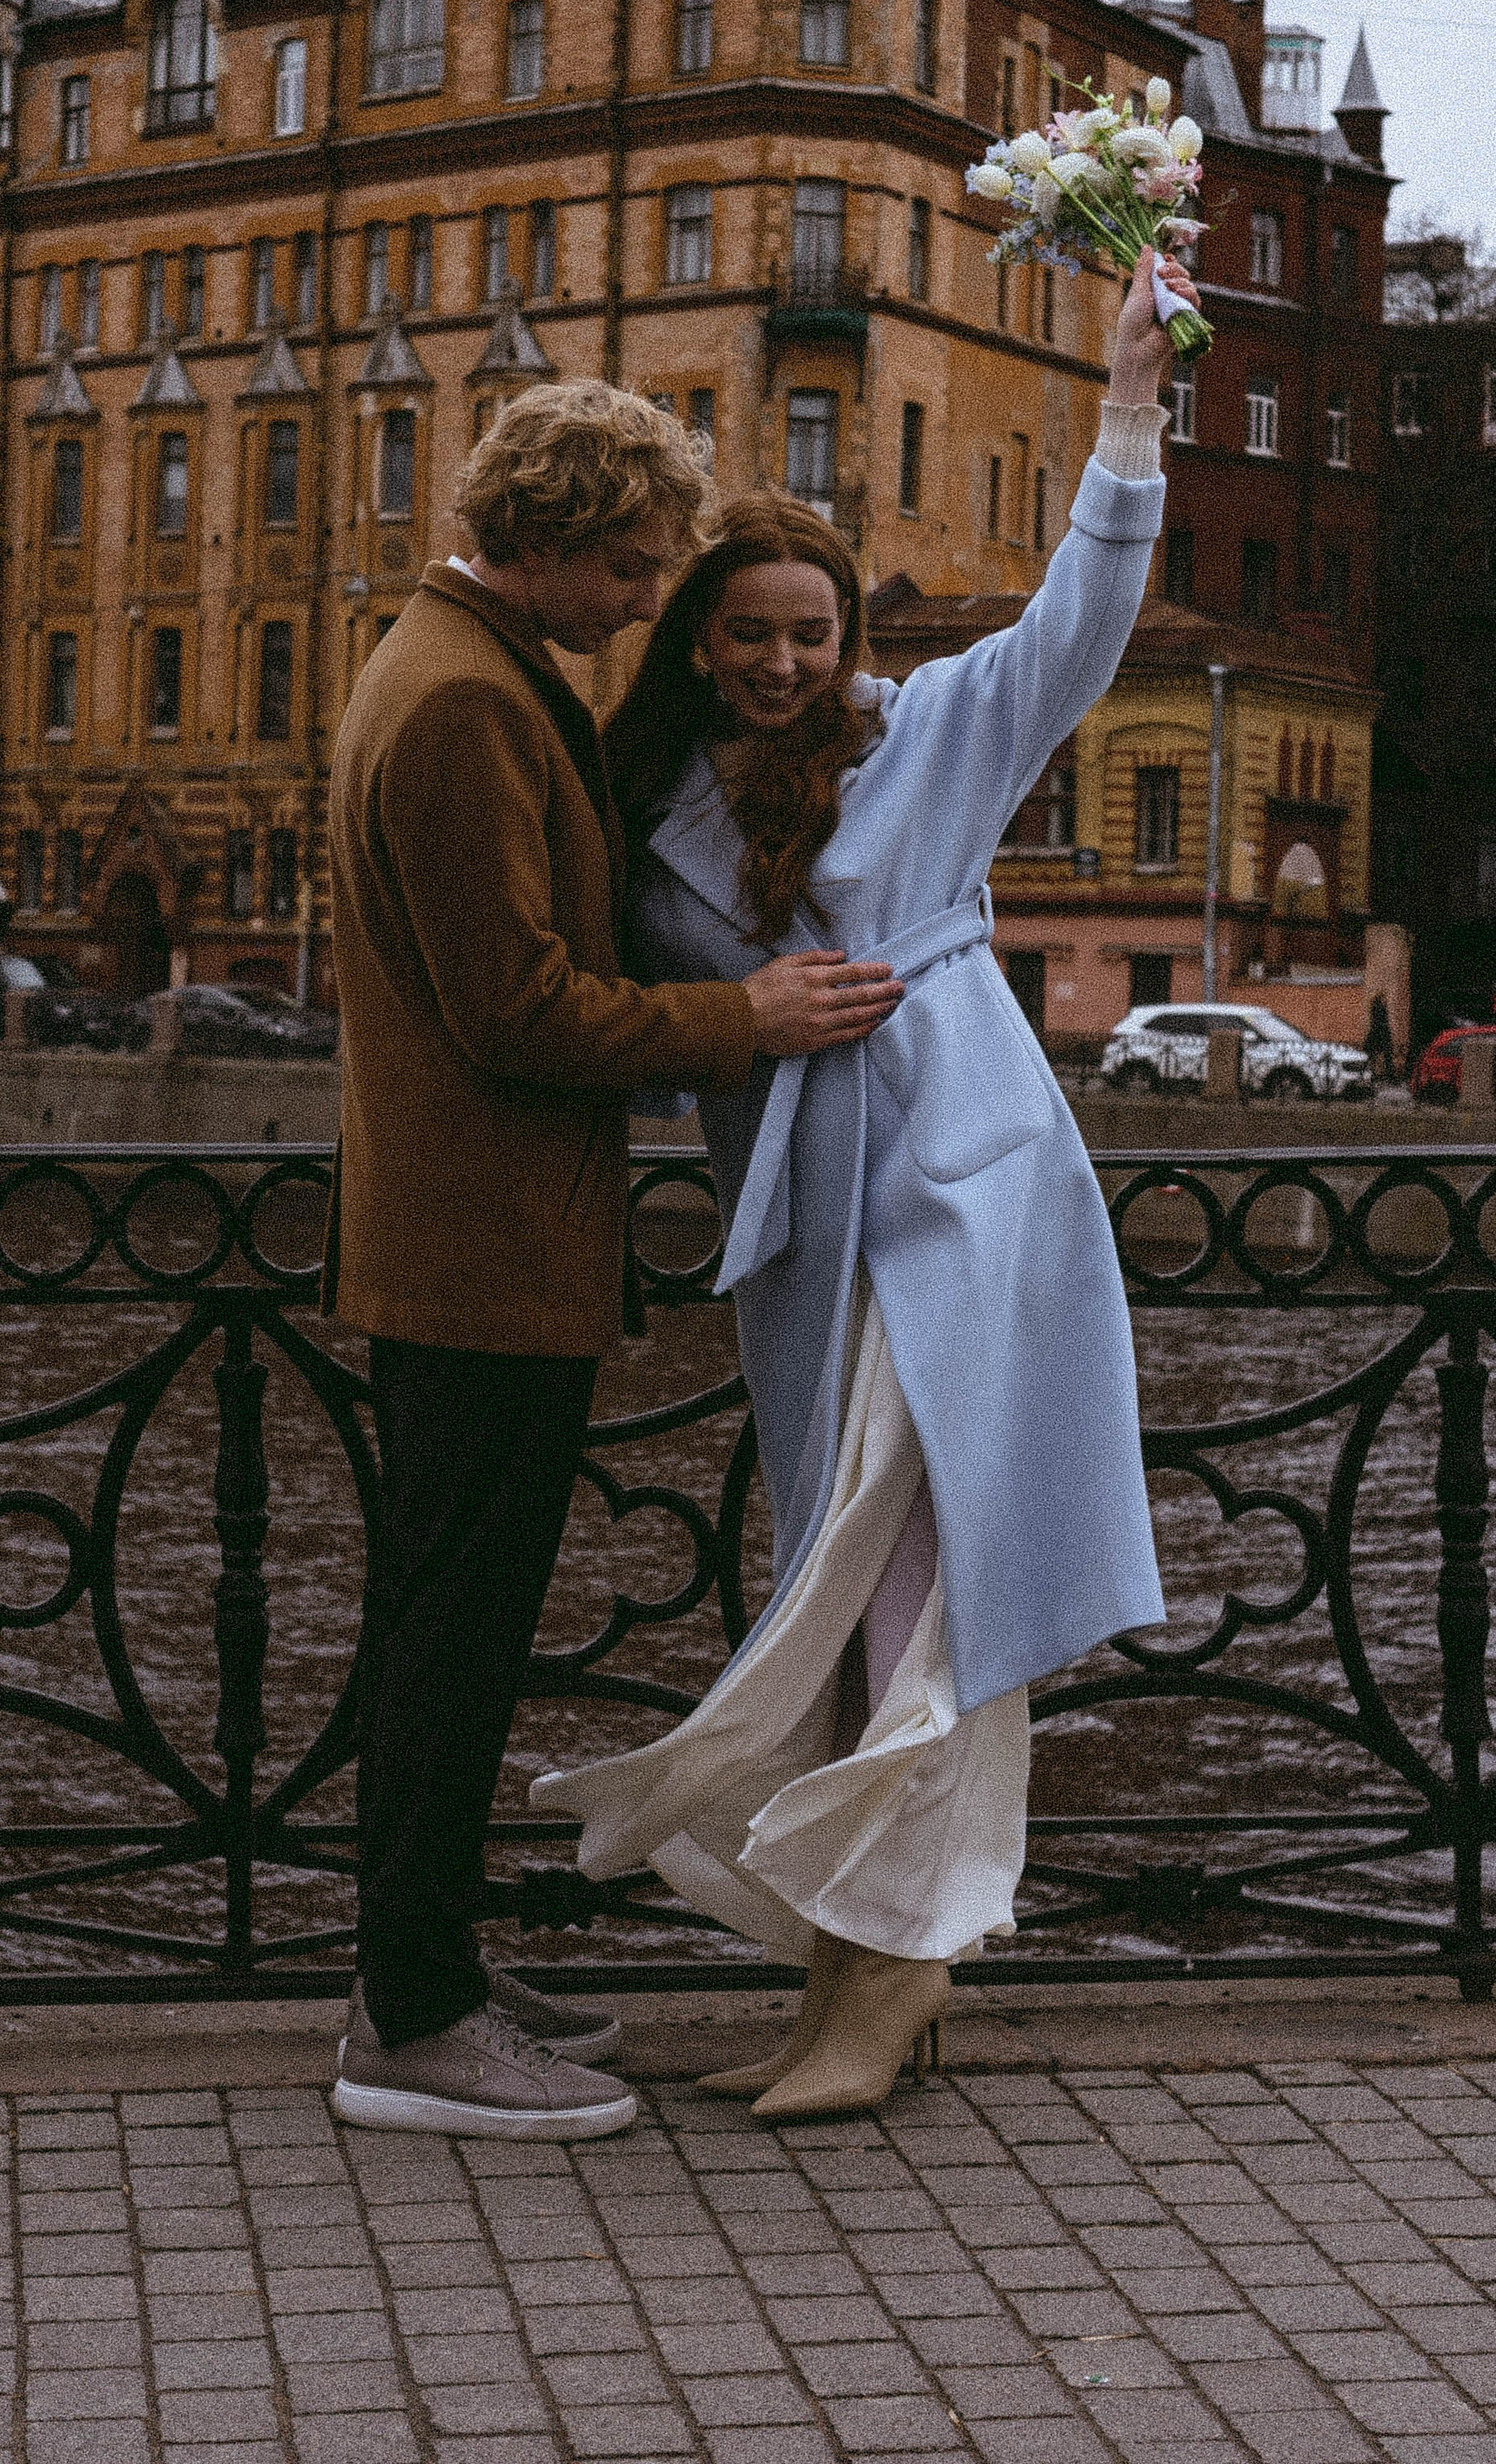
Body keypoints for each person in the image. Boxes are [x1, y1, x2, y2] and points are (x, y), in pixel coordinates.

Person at [535, 245, 1194, 2118]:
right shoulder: (654, 806)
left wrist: (1128, 406)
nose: (780, 664)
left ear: (848, 640)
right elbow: (624, 1003)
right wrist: (737, 1018)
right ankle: (853, 1961)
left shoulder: (927, 740)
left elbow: (1078, 618)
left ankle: (892, 1976)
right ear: (696, 640)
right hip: (803, 1233)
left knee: (915, 1583)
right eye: (746, 634)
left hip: (960, 1201)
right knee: (835, 1580)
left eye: (809, 635)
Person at [325, 379, 902, 2141]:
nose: (652, 602)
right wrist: (745, 1016)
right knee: (449, 1638)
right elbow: (515, 1008)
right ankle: (412, 2023)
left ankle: (421, 1965)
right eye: (636, 569)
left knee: (451, 1623)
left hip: (477, 1238)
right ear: (551, 543)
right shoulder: (464, 704)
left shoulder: (463, 666)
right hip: (478, 1247)